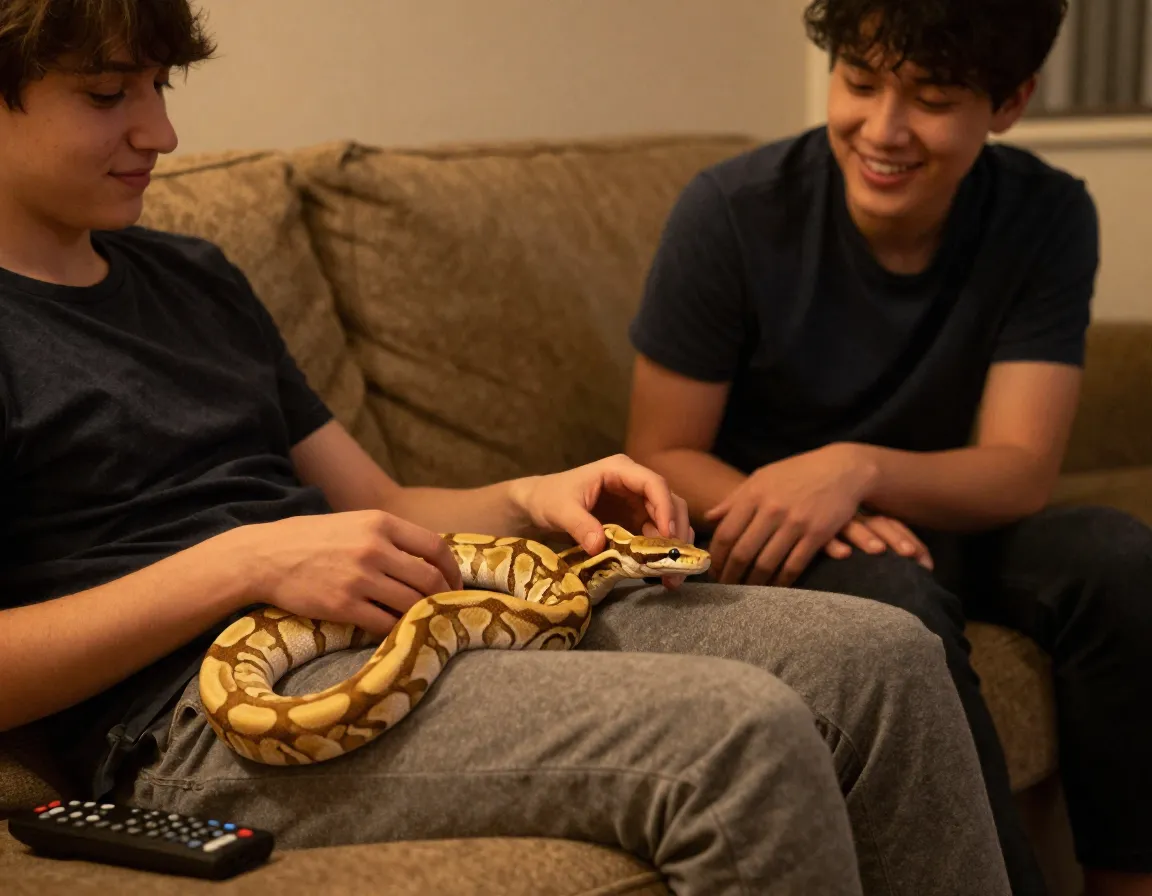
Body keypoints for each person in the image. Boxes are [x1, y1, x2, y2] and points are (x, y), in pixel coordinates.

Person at [0, 2, 1019, 894]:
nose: (162, 131)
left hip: (405, 606)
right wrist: (245, 561)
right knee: (740, 736)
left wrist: (535, 494)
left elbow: (383, 501)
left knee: (886, 656)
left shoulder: (196, 277)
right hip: (214, 715)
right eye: (107, 95)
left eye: (160, 87)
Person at [624, 1, 1152, 895]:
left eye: (933, 100)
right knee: (895, 609)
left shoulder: (1047, 212)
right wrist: (811, 508)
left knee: (1120, 559)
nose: (883, 130)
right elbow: (662, 455)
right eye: (859, 83)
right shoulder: (733, 212)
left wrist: (855, 467)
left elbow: (1020, 468)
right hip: (768, 537)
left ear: (1010, 102)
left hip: (934, 511)